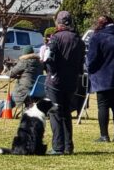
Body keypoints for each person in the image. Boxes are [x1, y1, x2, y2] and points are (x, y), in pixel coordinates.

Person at [85, 16, 114, 143]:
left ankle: (104, 135)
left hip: (102, 76)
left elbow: (91, 58)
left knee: (103, 106)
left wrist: (91, 70)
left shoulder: (98, 37)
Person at [44, 11, 85, 155]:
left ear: (58, 22)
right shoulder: (78, 40)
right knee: (66, 113)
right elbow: (82, 62)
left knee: (55, 113)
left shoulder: (55, 38)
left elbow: (48, 58)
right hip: (72, 81)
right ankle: (68, 146)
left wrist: (52, 72)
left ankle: (57, 147)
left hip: (56, 82)